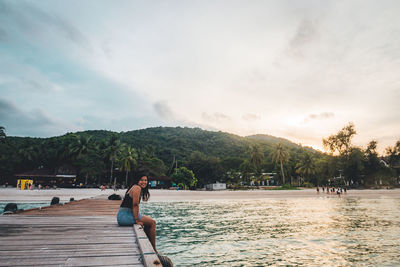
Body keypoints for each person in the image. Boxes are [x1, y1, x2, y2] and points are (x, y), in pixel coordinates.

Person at [117, 175, 157, 252]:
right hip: (125, 216)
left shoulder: (134, 187)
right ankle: (154, 250)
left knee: (149, 222)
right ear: (137, 180)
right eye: (141, 180)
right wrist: (136, 220)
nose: (144, 182)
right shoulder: (137, 188)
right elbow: (135, 204)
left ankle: (149, 246)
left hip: (123, 214)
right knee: (152, 223)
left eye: (145, 180)